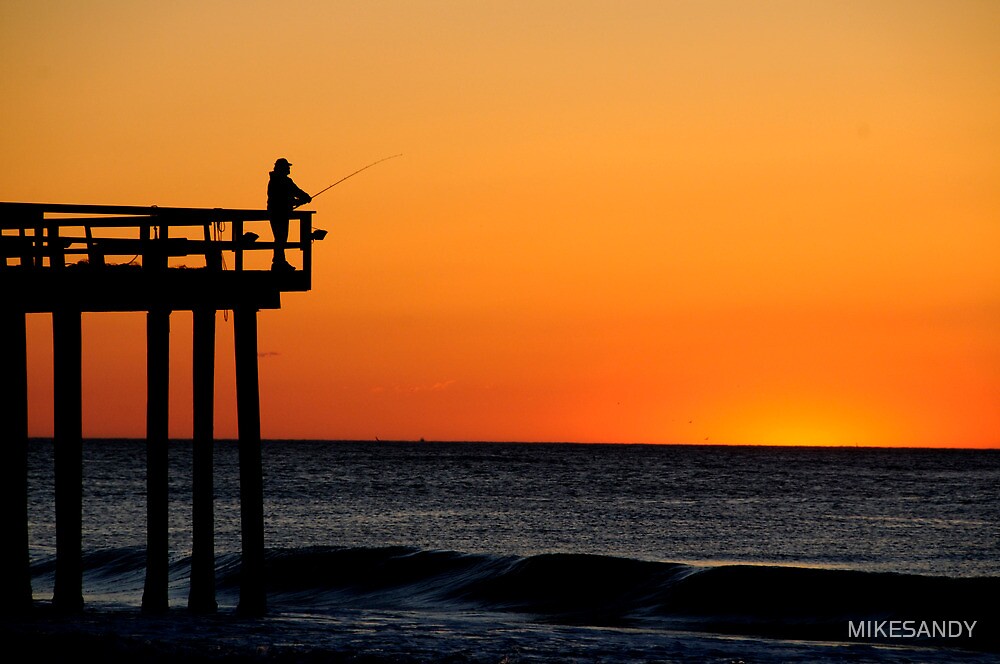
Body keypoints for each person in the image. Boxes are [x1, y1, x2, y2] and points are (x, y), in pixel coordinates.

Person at [267, 157, 311, 271]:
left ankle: (279, 262)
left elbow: (289, 194)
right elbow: (294, 193)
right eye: (287, 167)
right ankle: (278, 263)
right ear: (282, 168)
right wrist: (304, 198)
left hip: (275, 212)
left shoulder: (275, 180)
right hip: (280, 213)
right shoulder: (284, 181)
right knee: (281, 238)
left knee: (279, 238)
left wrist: (299, 199)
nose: (289, 169)